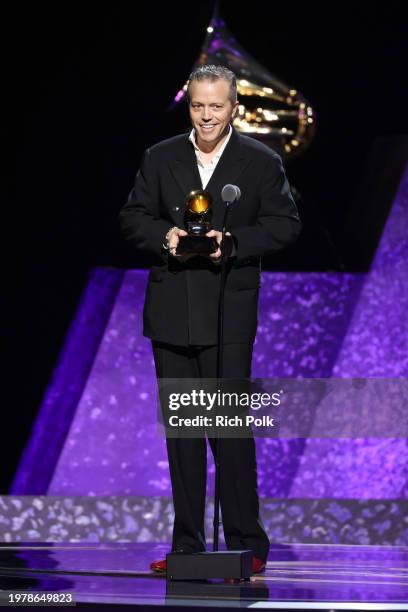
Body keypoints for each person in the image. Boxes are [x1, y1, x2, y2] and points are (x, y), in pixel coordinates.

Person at [119, 65, 301, 574]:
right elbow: (133, 216)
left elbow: (285, 225)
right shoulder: (161, 157)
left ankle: (248, 540)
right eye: (198, 106)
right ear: (190, 106)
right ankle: (187, 546)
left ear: (233, 108)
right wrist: (166, 237)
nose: (206, 116)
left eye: (216, 107)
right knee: (183, 431)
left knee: (227, 429)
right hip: (173, 309)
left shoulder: (259, 162)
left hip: (228, 311)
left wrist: (234, 243)